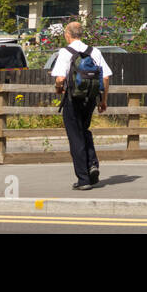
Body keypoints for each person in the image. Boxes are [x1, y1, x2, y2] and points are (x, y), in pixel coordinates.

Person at [49, 21, 112, 191]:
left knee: (75, 136)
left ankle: (83, 179)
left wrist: (57, 89)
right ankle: (92, 164)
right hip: (90, 99)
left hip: (73, 99)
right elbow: (105, 77)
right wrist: (103, 100)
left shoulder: (65, 52)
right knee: (84, 130)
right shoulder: (94, 51)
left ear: (67, 34)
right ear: (81, 34)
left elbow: (60, 78)